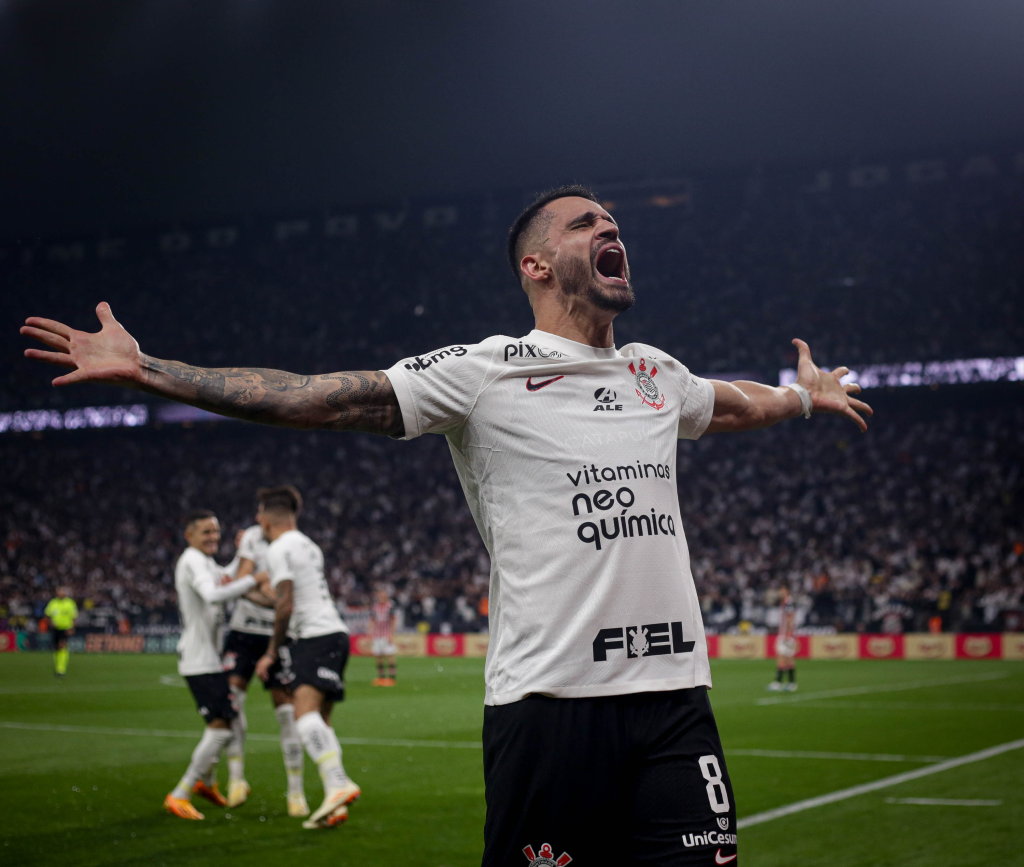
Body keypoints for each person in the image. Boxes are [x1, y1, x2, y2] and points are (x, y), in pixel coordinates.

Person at [22, 185, 872, 863]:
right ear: (537, 264)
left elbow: (733, 404)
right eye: (585, 223)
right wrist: (151, 369)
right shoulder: (485, 371)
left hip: (674, 697)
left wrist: (802, 397)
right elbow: (321, 397)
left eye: (612, 221)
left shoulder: (656, 373)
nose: (610, 227)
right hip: (550, 705)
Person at [251, 486, 359, 830]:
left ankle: (339, 783)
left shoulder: (278, 548)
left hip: (314, 637)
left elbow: (286, 604)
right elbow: (290, 597)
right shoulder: (309, 545)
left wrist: (271, 652)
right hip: (335, 633)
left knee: (304, 716)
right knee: (322, 721)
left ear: (266, 519)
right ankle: (335, 803)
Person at [165, 509, 266, 820]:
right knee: (222, 729)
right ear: (190, 535)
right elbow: (212, 594)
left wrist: (242, 553)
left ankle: (207, 784)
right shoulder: (192, 560)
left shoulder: (205, 562)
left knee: (235, 722)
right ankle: (181, 793)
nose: (213, 537)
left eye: (216, 531)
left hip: (209, 658)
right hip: (200, 660)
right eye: (206, 532)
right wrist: (253, 579)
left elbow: (224, 577)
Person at [222, 507, 309, 817]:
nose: (258, 518)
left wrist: (259, 589)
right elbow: (240, 582)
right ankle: (236, 779)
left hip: (278, 634)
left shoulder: (294, 543)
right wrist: (262, 586)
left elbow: (288, 593)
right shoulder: (252, 537)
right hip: (244, 632)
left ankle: (296, 792)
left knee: (286, 713)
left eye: (261, 512)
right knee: (232, 702)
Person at [768, 587, 798, 692]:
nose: (780, 593)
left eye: (783, 591)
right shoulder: (785, 603)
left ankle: (778, 683)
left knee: (782, 659)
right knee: (788, 660)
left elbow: (790, 618)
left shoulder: (788, 603)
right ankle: (791, 683)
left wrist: (787, 634)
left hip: (785, 635)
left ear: (787, 591)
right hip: (786, 634)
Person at [44, 586, 78, 677]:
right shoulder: (53, 603)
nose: (60, 593)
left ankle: (61, 669)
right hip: (55, 629)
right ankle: (58, 667)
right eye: (59, 592)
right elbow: (47, 615)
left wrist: (72, 628)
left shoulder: (70, 603)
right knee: (56, 648)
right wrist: (50, 623)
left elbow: (74, 617)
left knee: (62, 646)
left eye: (62, 592)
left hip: (65, 628)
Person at [369, 588, 397, 686]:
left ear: (386, 596)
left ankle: (392, 678)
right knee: (378, 656)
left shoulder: (390, 606)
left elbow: (393, 620)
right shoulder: (375, 607)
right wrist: (370, 632)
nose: (380, 597)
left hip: (386, 635)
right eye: (379, 595)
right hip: (377, 635)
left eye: (382, 595)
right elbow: (372, 620)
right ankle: (381, 678)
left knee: (390, 655)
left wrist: (392, 634)